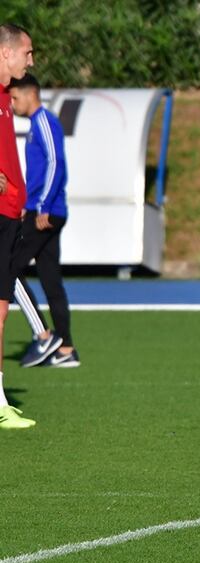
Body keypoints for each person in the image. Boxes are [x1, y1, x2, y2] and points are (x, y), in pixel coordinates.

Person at [9, 74, 78, 368]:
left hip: (45, 212)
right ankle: (67, 350)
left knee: (8, 269)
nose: (11, 105)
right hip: (42, 210)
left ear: (30, 94)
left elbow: (55, 163)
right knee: (51, 281)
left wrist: (41, 206)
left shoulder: (44, 122)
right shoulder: (35, 126)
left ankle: (44, 336)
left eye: (14, 98)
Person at [0, 24, 36, 428]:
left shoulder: (5, 99)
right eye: (27, 52)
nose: (31, 59)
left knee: (2, 313)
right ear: (6, 52)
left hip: (10, 215)